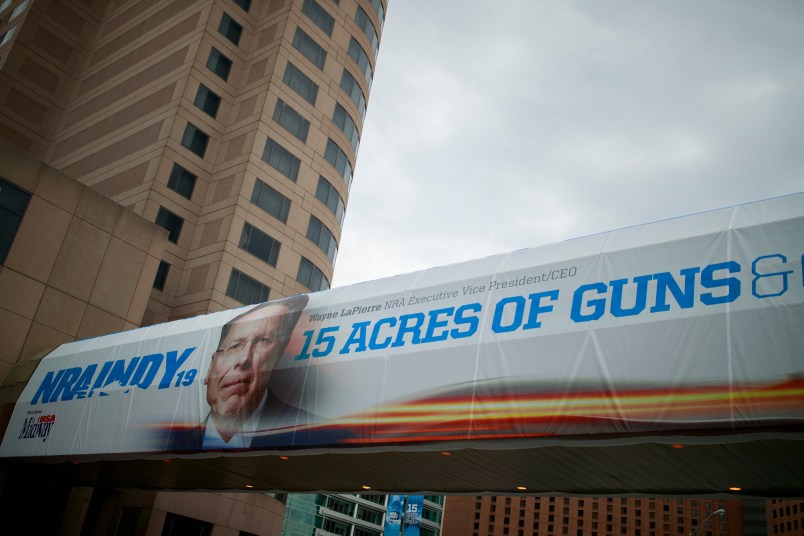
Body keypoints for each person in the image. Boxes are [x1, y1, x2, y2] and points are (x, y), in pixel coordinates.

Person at [165, 294, 318, 450]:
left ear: (277, 358)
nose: (244, 359)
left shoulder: (313, 433)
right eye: (235, 346)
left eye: (262, 341)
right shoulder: (171, 445)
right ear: (211, 366)